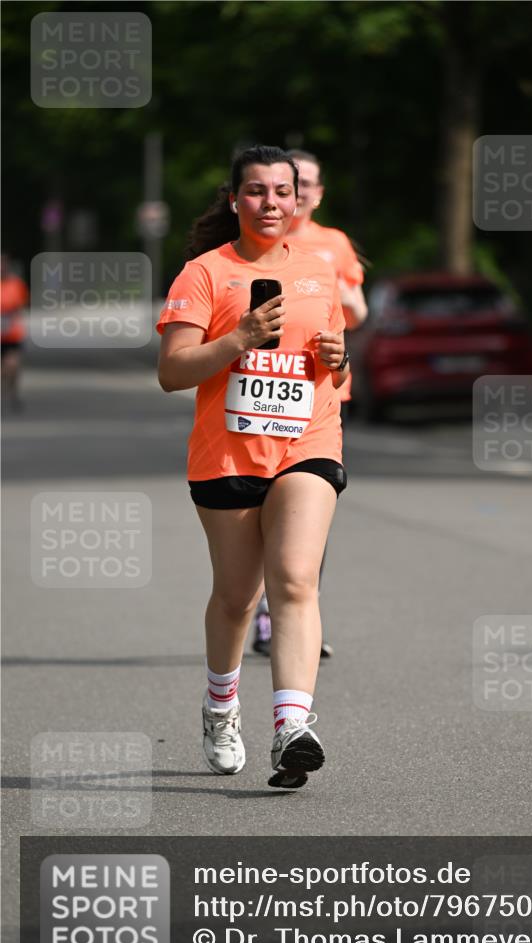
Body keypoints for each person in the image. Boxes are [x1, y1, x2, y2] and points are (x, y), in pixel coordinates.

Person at [156, 145, 349, 790]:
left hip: (307, 442)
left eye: (282, 191)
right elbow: (172, 372)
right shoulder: (204, 274)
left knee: (294, 578)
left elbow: (333, 367)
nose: (271, 202)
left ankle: (292, 726)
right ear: (236, 198)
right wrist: (238, 338)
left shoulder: (319, 271)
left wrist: (339, 358)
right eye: (257, 191)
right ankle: (220, 708)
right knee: (238, 598)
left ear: (299, 200)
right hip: (229, 453)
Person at [251, 149, 367, 658]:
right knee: (257, 510)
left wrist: (330, 287)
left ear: (317, 194)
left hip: (321, 394)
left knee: (306, 510)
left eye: (308, 185)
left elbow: (357, 312)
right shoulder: (255, 240)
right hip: (258, 393)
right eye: (289, 185)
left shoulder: (333, 244)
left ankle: (297, 612)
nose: (298, 194)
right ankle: (262, 613)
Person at [1, 254, 29, 412]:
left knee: (12, 366)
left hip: (12, 334)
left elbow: (22, 305)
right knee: (4, 370)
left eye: (3, 264)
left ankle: (13, 393)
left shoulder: (16, 284)